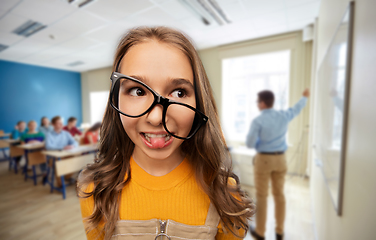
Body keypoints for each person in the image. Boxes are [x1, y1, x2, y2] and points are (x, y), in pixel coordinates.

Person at [77, 27, 255, 240]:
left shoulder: (226, 194)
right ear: (115, 98)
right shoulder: (94, 189)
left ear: (199, 102)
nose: (155, 118)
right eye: (137, 91)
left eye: (179, 92)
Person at [246, 89, 310, 240]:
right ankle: (280, 232)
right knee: (279, 195)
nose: (257, 104)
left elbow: (249, 143)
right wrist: (304, 98)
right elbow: (296, 109)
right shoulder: (283, 116)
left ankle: (260, 232)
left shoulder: (258, 121)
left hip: (264, 160)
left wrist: (260, 143)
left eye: (257, 102)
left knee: (262, 196)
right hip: (281, 159)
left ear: (262, 103)